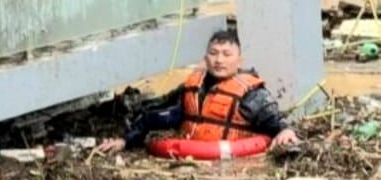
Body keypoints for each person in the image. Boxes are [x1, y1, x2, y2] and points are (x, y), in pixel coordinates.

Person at [98, 29, 298, 154]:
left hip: (232, 162)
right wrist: (125, 140)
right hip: (189, 158)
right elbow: (155, 115)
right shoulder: (192, 86)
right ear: (205, 58)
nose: (219, 60)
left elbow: (277, 123)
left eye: (227, 55)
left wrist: (286, 132)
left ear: (239, 61)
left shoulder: (253, 94)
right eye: (213, 54)